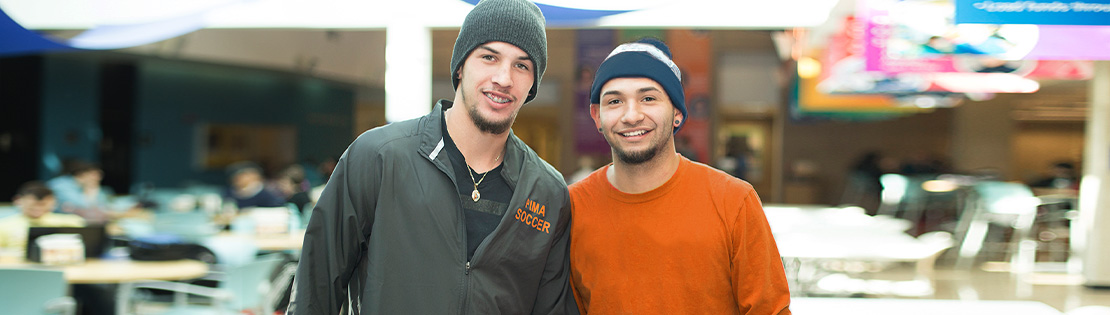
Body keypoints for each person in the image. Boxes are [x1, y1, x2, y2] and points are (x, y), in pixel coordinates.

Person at [288, 0, 575, 314]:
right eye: (489, 57)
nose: (504, 78)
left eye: (522, 65)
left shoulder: (547, 190)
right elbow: (314, 292)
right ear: (461, 66)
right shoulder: (379, 157)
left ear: (532, 84)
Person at [569, 38, 791, 314]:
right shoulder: (571, 207)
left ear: (676, 112)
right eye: (614, 101)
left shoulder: (733, 201)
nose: (631, 115)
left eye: (648, 98)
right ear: (596, 116)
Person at [0, 181, 85, 258]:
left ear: (53, 202)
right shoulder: (4, 225)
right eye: (33, 204)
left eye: (43, 204)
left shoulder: (72, 222)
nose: (38, 208)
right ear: (18, 201)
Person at [45, 159, 112, 223]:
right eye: (94, 175)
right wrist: (92, 190)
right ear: (81, 174)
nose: (98, 179)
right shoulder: (61, 186)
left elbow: (103, 206)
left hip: (71, 221)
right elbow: (85, 207)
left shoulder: (81, 187)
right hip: (54, 223)